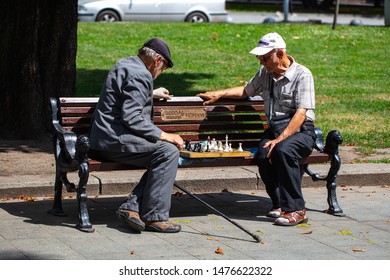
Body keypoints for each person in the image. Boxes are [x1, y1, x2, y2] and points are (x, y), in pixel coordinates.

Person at [197, 32, 316, 226]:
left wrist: (280, 140)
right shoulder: (266, 73)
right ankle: (279, 204)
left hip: (301, 130)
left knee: (283, 151)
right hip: (275, 129)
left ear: (280, 53)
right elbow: (246, 90)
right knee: (262, 156)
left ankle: (297, 209)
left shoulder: (303, 75)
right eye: (259, 58)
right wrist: (219, 93)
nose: (262, 63)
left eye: (265, 58)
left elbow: (301, 113)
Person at [89, 38, 184, 233]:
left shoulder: (126, 63)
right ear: (157, 60)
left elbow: (125, 95)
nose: (160, 72)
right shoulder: (141, 75)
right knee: (168, 152)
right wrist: (164, 135)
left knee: (163, 155)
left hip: (102, 138)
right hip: (113, 141)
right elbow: (131, 117)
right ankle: (155, 217)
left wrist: (150, 93)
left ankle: (131, 207)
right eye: (163, 67)